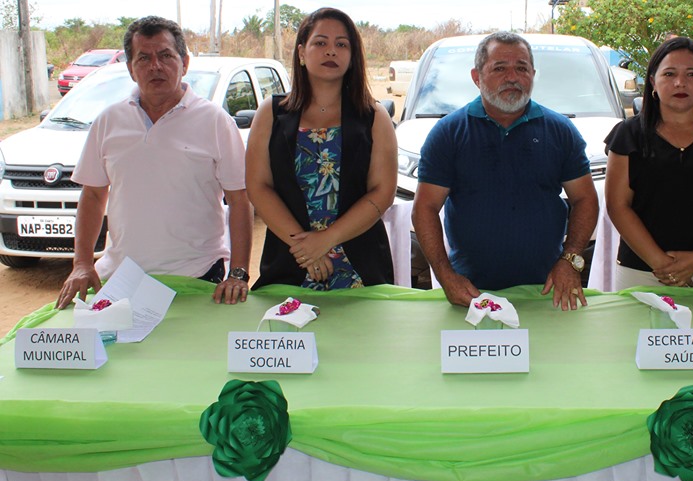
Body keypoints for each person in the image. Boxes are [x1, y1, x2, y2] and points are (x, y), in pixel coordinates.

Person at [56, 16, 253, 310]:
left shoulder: (215, 121)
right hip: (122, 278)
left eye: (165, 56)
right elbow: (93, 195)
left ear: (184, 63)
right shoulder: (109, 121)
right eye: (143, 58)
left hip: (198, 277)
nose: (155, 66)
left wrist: (238, 272)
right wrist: (82, 263)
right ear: (131, 69)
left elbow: (240, 200)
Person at [412, 31, 599, 311]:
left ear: (533, 74)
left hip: (547, 289)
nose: (512, 77)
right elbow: (424, 208)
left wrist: (570, 261)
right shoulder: (449, 133)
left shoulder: (560, 131)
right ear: (477, 77)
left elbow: (585, 199)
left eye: (521, 68)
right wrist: (445, 276)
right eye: (499, 68)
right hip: (471, 293)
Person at [245, 7, 397, 290]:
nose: (331, 51)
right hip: (290, 262)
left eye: (341, 44)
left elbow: (383, 192)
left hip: (361, 268)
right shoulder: (271, 113)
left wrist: (326, 240)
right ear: (302, 53)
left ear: (352, 57)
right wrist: (306, 250)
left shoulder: (374, 116)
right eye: (320, 42)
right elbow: (258, 187)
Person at [604, 36, 693, 290]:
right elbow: (618, 206)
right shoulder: (628, 135)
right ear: (652, 81)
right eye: (669, 73)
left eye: (692, 74)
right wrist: (664, 266)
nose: (680, 82)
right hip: (640, 272)